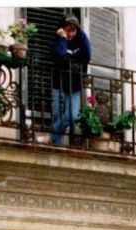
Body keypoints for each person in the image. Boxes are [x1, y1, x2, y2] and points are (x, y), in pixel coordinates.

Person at [49, 15, 91, 145]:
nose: (71, 33)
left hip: (75, 84)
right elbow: (59, 56)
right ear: (62, 29)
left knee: (72, 116)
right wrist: (62, 39)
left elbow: (87, 56)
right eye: (68, 30)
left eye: (73, 30)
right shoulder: (57, 39)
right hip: (59, 83)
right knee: (56, 115)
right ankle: (56, 145)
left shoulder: (82, 38)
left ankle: (51, 138)